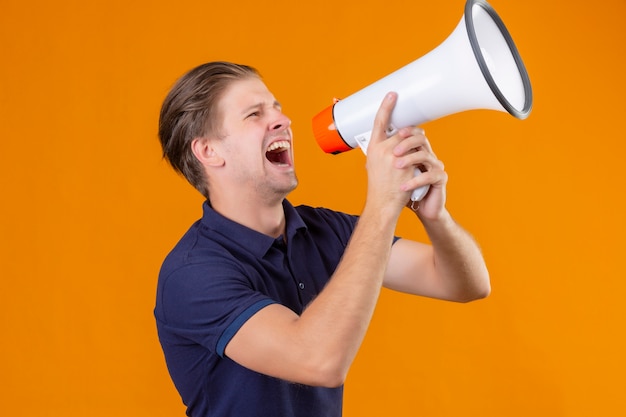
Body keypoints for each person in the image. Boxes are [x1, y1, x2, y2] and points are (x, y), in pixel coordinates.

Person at [154, 61, 490, 417]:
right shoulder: (191, 273)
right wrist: (382, 202)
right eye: (254, 114)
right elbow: (318, 362)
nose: (283, 121)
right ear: (208, 151)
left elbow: (467, 284)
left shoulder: (324, 230)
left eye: (277, 108)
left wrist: (434, 216)